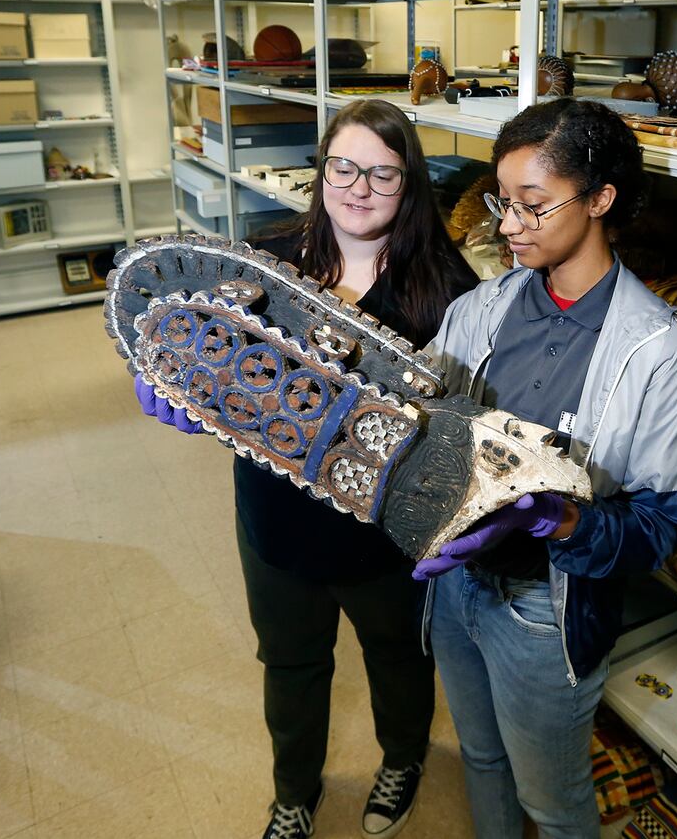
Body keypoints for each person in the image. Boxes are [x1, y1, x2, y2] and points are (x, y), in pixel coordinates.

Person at [136, 99, 477, 839]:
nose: (358, 187)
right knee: (289, 663)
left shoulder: (446, 288)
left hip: (382, 533)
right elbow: (215, 365)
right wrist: (172, 379)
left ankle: (403, 759)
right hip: (275, 521)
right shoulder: (267, 263)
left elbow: (459, 424)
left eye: (382, 174)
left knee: (396, 655)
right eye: (343, 166)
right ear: (321, 169)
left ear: (409, 184)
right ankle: (294, 792)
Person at [417, 97, 677, 839]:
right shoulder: (481, 309)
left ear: (601, 198)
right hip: (454, 586)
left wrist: (559, 516)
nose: (508, 226)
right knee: (480, 757)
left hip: (541, 609)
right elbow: (419, 423)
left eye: (532, 206)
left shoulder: (655, 350)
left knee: (554, 799)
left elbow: (656, 529)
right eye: (501, 203)